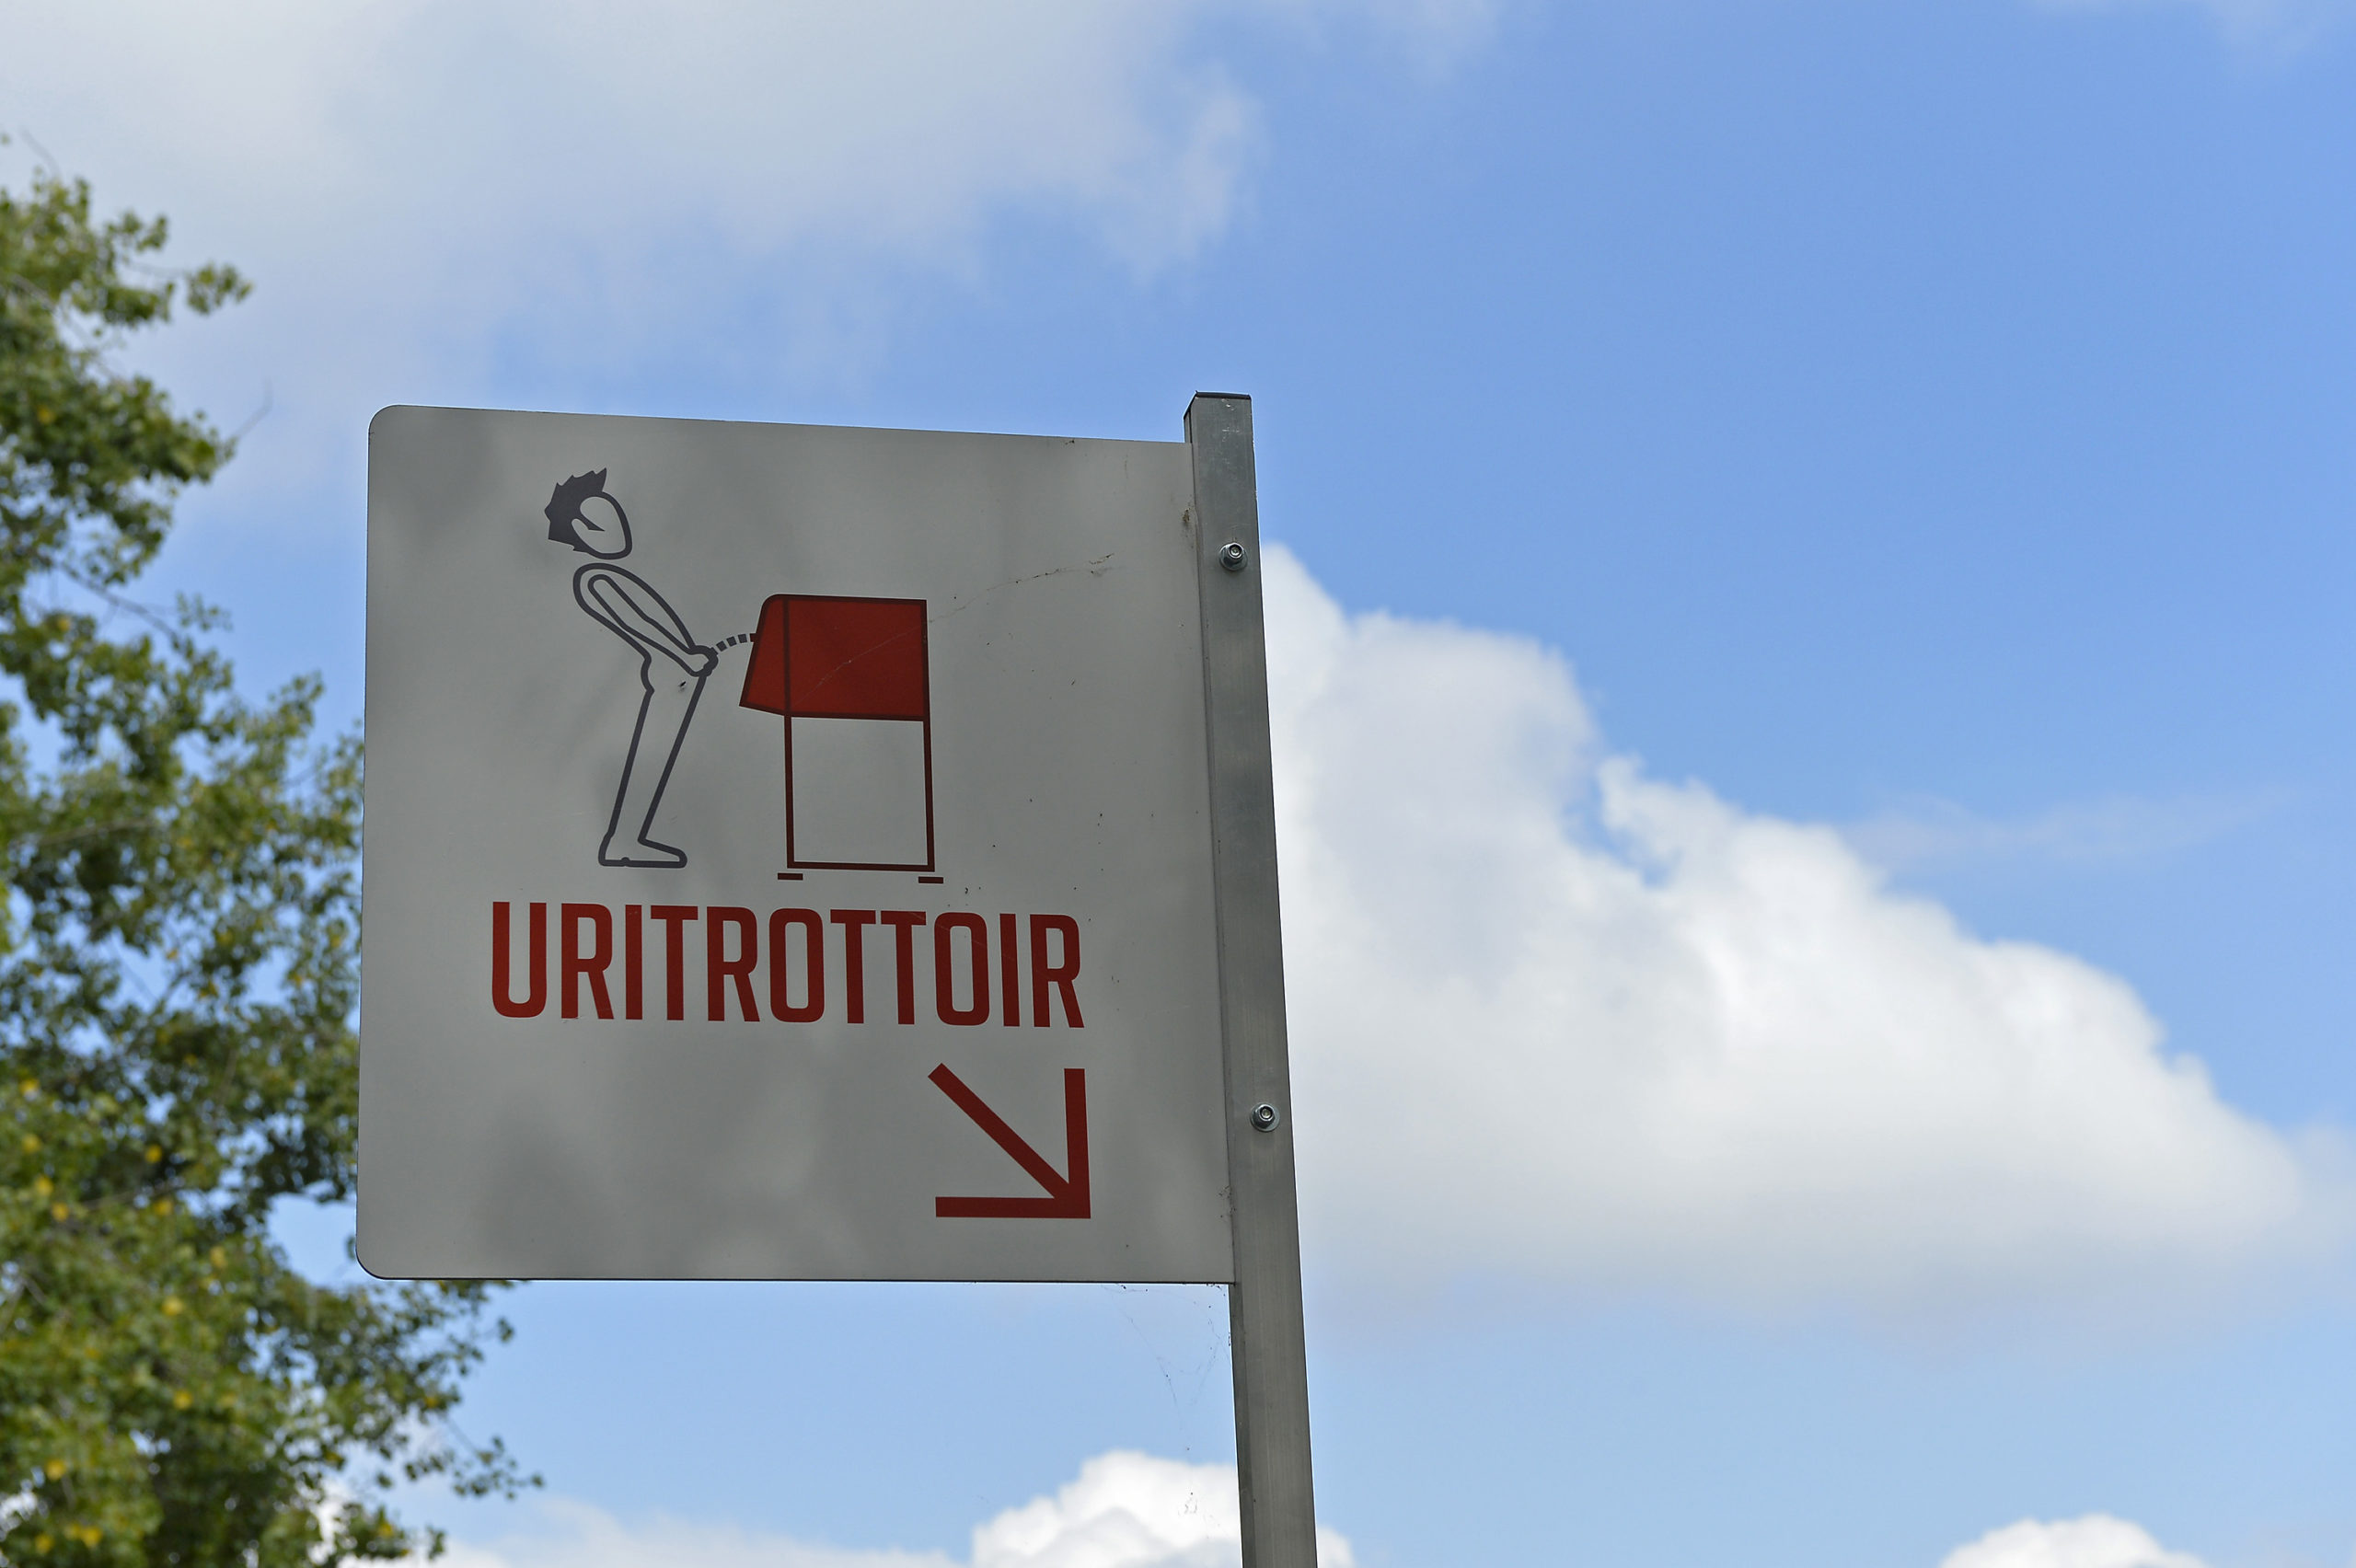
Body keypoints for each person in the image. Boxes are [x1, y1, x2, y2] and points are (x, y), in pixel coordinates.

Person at [545, 469, 715, 868]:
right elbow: (637, 623)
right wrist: (685, 655)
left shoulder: (627, 571)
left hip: (680, 677)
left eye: (611, 511)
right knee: (647, 761)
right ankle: (624, 840)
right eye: (594, 523)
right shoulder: (596, 576)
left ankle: (631, 838)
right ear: (581, 533)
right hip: (668, 677)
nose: (612, 525)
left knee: (657, 763)